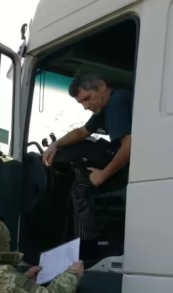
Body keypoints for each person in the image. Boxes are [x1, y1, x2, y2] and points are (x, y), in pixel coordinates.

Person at [41, 72, 133, 253]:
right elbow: (82, 132)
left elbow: (129, 146)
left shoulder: (116, 102)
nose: (85, 106)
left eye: (87, 98)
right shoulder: (105, 108)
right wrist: (55, 144)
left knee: (81, 186)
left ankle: (86, 249)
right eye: (81, 102)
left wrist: (103, 174)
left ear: (102, 86)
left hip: (136, 169)